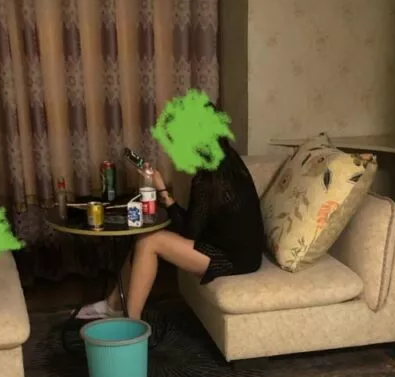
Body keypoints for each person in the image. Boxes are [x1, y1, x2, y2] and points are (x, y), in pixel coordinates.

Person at [76, 137, 264, 321]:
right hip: (243, 252)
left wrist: (161, 189)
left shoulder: (207, 181)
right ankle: (113, 305)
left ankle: (131, 326)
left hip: (232, 259)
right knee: (146, 237)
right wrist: (164, 194)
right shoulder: (229, 161)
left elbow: (189, 233)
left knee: (149, 242)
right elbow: (196, 223)